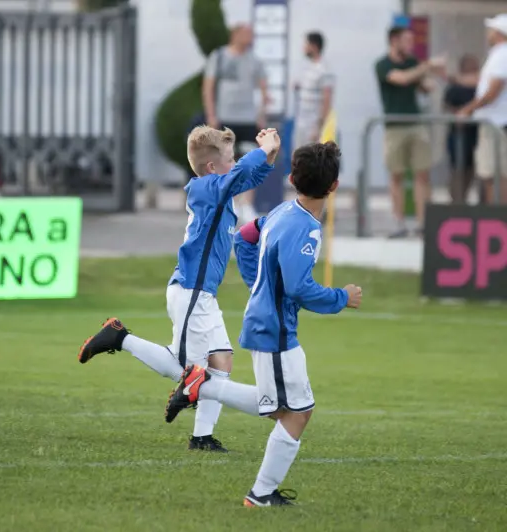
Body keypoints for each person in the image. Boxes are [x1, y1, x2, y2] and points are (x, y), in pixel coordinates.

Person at [164, 141, 363, 507]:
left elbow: (244, 238)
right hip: (275, 328)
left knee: (279, 408)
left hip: (265, 320)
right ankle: (260, 493)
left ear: (291, 179)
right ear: (334, 186)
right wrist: (341, 297)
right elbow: (299, 287)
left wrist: (259, 283)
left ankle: (203, 385)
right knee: (297, 413)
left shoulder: (283, 211)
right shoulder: (304, 227)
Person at [77, 127, 279, 452]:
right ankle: (119, 338)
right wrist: (262, 149)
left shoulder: (218, 190)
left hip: (203, 294)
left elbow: (248, 176)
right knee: (189, 371)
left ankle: (201, 438)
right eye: (229, 159)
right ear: (212, 167)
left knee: (221, 362)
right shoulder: (204, 188)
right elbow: (242, 173)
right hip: (191, 291)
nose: (234, 163)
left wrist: (270, 154)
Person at [375, 27, 445, 237]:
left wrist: (430, 76)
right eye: (406, 40)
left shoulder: (413, 62)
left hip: (416, 124)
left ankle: (424, 223)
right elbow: (401, 79)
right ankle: (399, 223)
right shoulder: (382, 64)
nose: (410, 45)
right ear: (394, 41)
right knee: (396, 175)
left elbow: (424, 85)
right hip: (394, 127)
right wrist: (426, 66)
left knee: (422, 174)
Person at [203, 24, 270, 223]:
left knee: (251, 162)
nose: (250, 37)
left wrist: (261, 114)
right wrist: (211, 114)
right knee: (224, 162)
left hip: (248, 119)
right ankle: (226, 204)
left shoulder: (255, 60)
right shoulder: (219, 56)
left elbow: (264, 89)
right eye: (246, 33)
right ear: (235, 34)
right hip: (225, 118)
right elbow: (208, 87)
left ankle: (246, 204)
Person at [458, 14, 507, 205]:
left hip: (495, 124)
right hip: (495, 123)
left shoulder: (502, 55)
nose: (488, 33)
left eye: (492, 29)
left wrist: (467, 109)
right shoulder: (498, 54)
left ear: (499, 33)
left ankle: (497, 216)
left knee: (494, 175)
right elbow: (484, 82)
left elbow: (492, 91)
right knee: (494, 175)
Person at [444, 55, 480, 204]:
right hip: (459, 136)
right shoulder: (455, 89)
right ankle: (457, 204)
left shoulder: (481, 88)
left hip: (476, 136)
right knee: (459, 173)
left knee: (474, 172)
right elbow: (448, 107)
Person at [293, 32, 334, 149]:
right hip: (301, 121)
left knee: (310, 155)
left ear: (314, 46)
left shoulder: (324, 70)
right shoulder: (306, 67)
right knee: (297, 154)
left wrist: (319, 127)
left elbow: (327, 99)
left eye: (306, 44)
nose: (304, 48)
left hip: (313, 124)